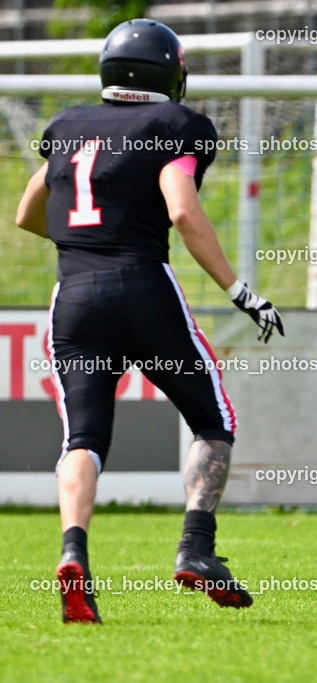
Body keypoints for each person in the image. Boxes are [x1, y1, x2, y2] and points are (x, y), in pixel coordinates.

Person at [15, 19, 284, 623]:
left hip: (75, 295)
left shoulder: (67, 126)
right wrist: (240, 291)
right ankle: (196, 550)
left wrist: (85, 240)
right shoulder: (175, 125)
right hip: (142, 286)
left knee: (82, 439)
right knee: (213, 420)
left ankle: (73, 553)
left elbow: (28, 212)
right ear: (171, 73)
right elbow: (183, 210)